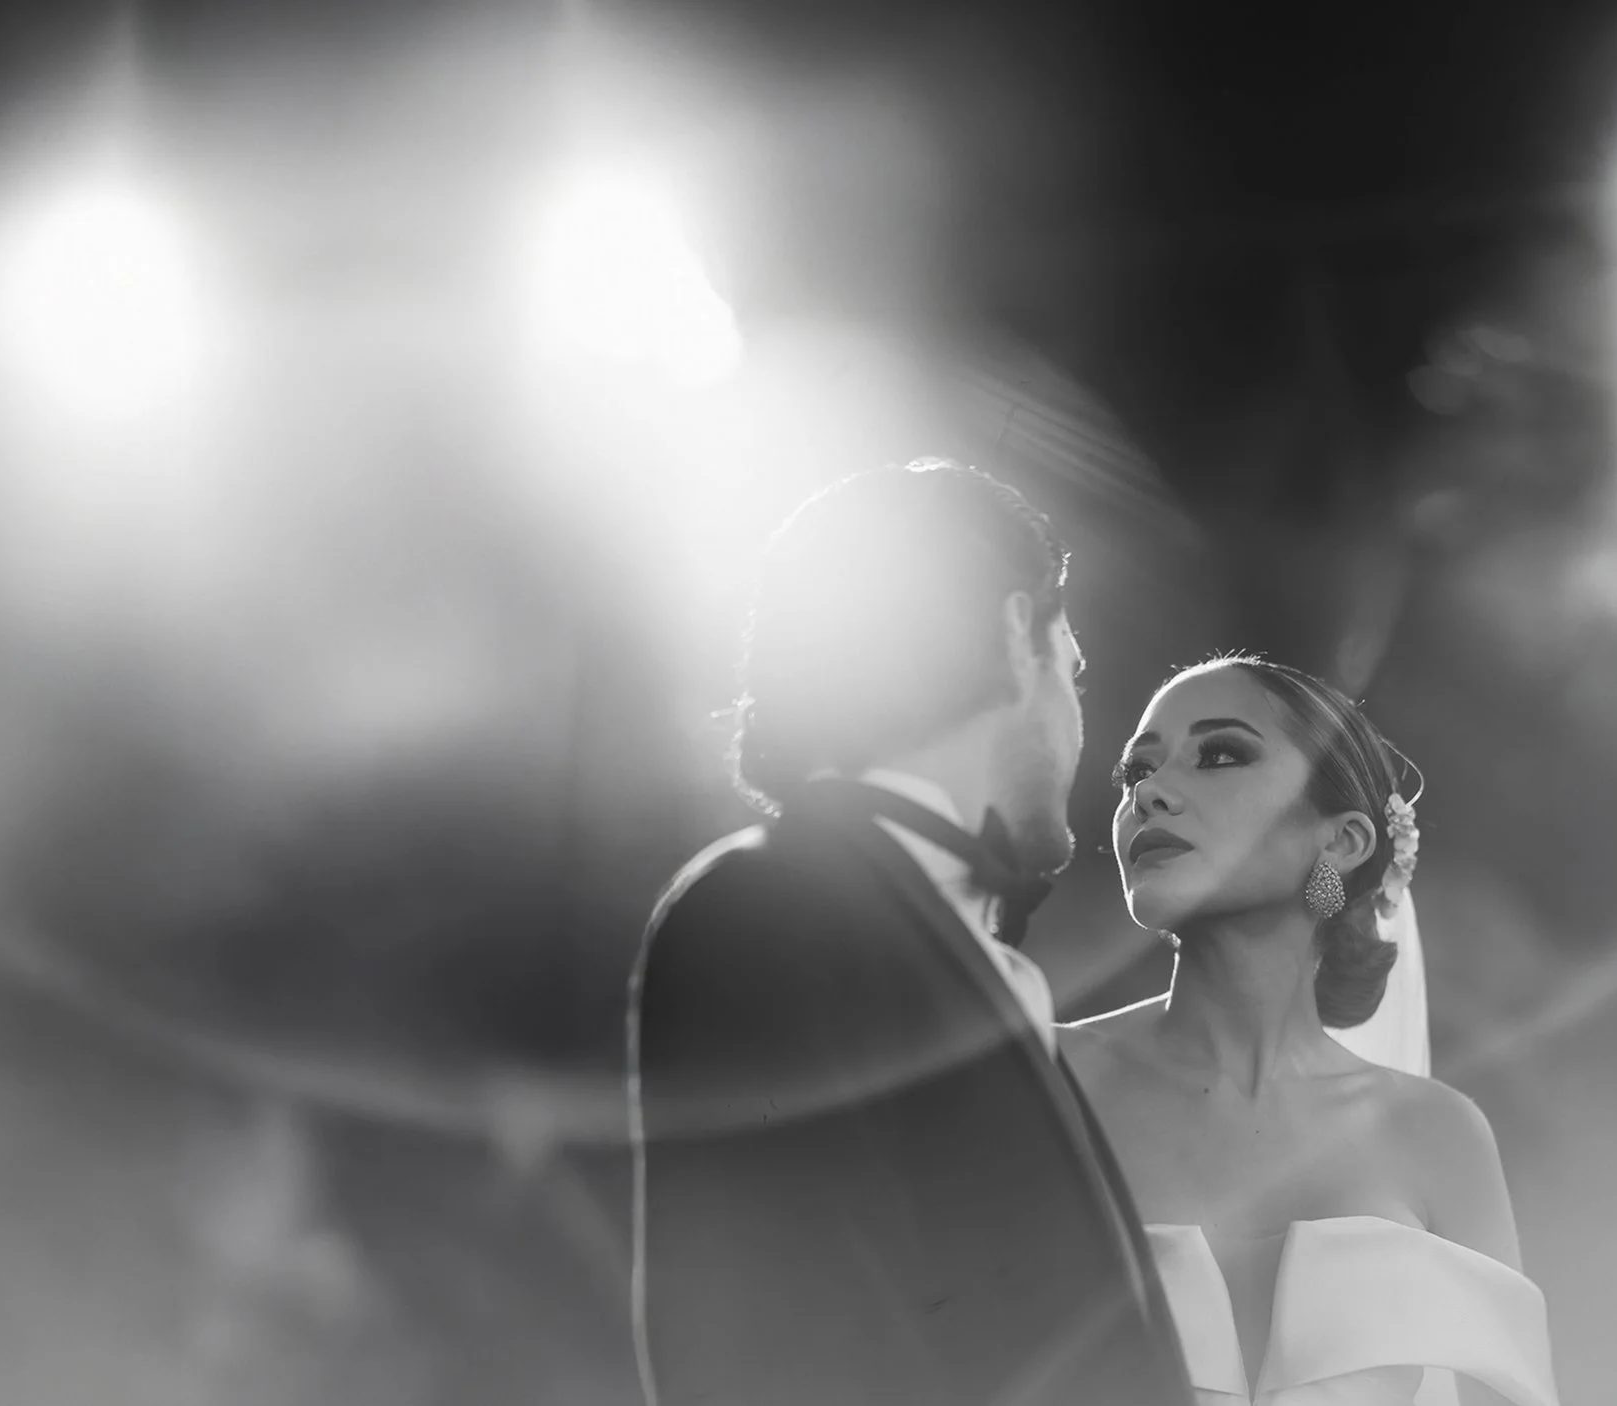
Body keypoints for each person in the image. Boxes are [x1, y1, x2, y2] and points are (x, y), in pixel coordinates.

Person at [628, 461, 1193, 1406]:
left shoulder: (945, 940)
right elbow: (776, 1355)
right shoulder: (768, 912)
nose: (1080, 729)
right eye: (1076, 672)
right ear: (1020, 637)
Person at [1063, 655, 1558, 1406]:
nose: (1150, 794)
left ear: (1343, 841)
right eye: (1136, 773)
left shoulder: (1438, 1136)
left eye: (1220, 754)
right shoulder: (1045, 1079)